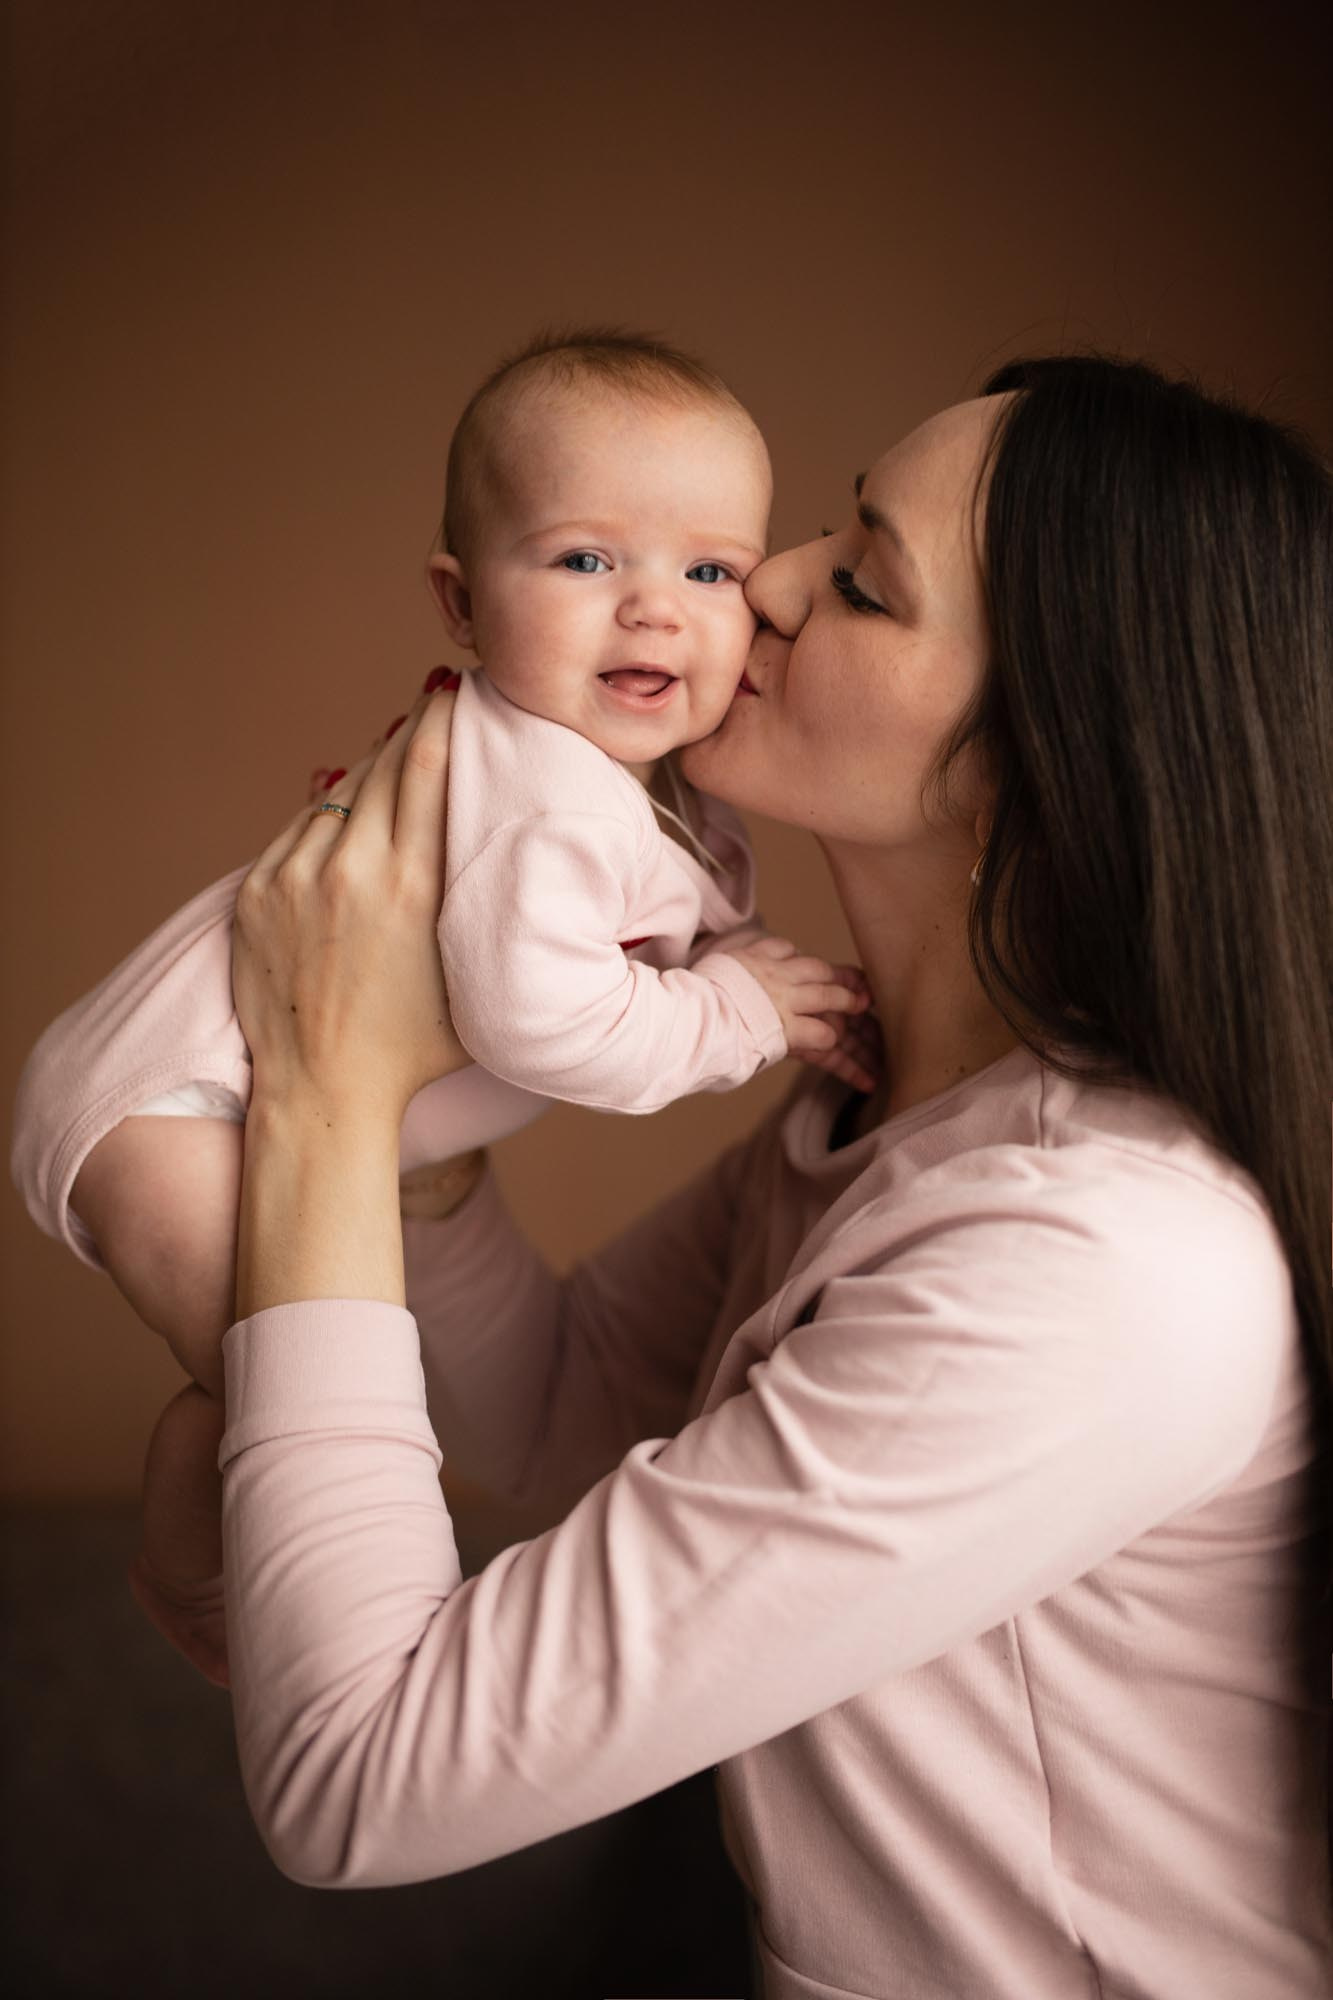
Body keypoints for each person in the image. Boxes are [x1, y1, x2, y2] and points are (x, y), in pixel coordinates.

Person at [29, 353, 1333, 1997]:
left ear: (1043, 758)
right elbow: (561, 1407)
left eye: (857, 583)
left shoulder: (1090, 1256)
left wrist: (325, 1092)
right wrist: (413, 1130)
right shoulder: (871, 1126)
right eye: (818, 527)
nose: (757, 582)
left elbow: (357, 1776)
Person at [9, 330, 873, 1688]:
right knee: (289, 1384)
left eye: (708, 569)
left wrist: (748, 977)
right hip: (173, 1107)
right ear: (460, 605)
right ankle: (184, 1558)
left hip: (222, 1095)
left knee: (297, 1370)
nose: (654, 609)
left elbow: (666, 924)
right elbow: (550, 1024)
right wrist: (741, 1013)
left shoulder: (624, 781)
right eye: (587, 560)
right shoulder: (543, 800)